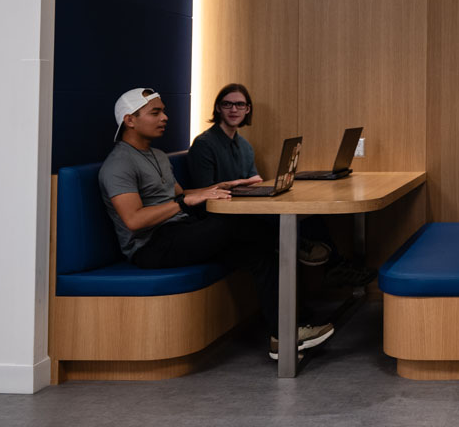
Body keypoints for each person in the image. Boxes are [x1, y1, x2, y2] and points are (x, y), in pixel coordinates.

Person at [98, 87, 334, 361]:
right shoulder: (118, 164)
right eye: (156, 112)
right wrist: (185, 203)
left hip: (180, 231)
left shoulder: (157, 155)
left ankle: (287, 335)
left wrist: (223, 186)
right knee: (232, 224)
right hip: (151, 247)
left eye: (163, 111)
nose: (165, 117)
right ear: (130, 120)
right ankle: (302, 247)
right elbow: (134, 220)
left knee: (261, 256)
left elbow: (179, 195)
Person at [188, 84, 332, 267]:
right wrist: (237, 184)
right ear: (218, 108)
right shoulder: (204, 144)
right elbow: (203, 194)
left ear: (247, 109)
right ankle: (304, 249)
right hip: (221, 217)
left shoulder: (245, 145)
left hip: (245, 208)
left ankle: (332, 266)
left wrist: (255, 185)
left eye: (240, 105)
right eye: (227, 104)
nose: (234, 109)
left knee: (311, 215)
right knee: (281, 223)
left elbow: (254, 182)